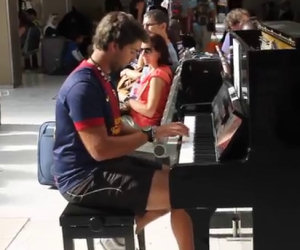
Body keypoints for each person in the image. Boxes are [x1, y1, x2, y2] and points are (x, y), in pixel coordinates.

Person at [53, 11, 194, 250]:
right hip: (82, 178)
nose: (135, 57)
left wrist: (156, 130)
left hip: (100, 165)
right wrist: (148, 135)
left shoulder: (102, 77)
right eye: (132, 51)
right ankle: (119, 237)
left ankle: (121, 235)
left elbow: (115, 131)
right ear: (114, 45)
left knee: (178, 179)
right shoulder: (83, 86)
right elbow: (100, 149)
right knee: (183, 193)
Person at [122, 33, 173, 128]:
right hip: (138, 117)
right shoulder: (157, 69)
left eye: (147, 50)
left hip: (143, 124)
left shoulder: (157, 77)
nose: (142, 54)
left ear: (159, 52)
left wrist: (128, 101)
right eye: (141, 50)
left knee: (107, 124)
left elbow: (149, 111)